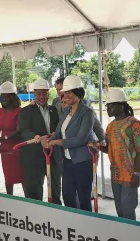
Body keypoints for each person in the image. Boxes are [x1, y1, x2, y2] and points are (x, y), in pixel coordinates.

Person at [44, 75, 105, 211]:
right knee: (68, 196)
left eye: (69, 92)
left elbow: (80, 139)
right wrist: (48, 140)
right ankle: (74, 225)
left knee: (84, 198)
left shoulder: (87, 112)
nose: (66, 95)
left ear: (78, 93)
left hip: (83, 160)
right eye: (65, 92)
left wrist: (57, 142)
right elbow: (58, 131)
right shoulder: (67, 110)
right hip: (67, 160)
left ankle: (87, 227)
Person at [99, 89, 140, 220]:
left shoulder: (134, 124)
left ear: (121, 105)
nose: (108, 108)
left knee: (128, 211)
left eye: (111, 105)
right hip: (115, 175)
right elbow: (108, 148)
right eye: (107, 105)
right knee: (120, 211)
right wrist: (97, 146)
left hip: (130, 175)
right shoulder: (110, 126)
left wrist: (137, 174)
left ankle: (133, 237)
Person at [18, 79, 61, 203]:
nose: (41, 97)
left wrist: (54, 135)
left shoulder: (53, 110)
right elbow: (24, 130)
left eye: (44, 93)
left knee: (55, 186)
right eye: (38, 94)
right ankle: (36, 214)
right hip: (34, 155)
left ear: (48, 94)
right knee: (34, 188)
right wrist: (37, 137)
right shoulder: (26, 111)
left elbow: (58, 128)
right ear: (34, 94)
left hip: (52, 153)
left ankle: (56, 209)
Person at [0, 81, 25, 195]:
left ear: (14, 97)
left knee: (21, 176)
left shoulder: (20, 111)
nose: (5, 99)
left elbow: (19, 130)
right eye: (3, 96)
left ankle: (28, 199)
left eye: (8, 96)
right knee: (8, 176)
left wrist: (4, 138)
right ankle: (9, 198)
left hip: (17, 147)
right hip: (4, 148)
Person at [52, 76, 105, 142]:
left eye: (62, 89)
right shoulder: (55, 102)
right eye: (57, 90)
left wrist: (102, 140)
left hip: (79, 141)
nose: (59, 92)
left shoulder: (84, 103)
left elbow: (95, 123)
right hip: (62, 141)